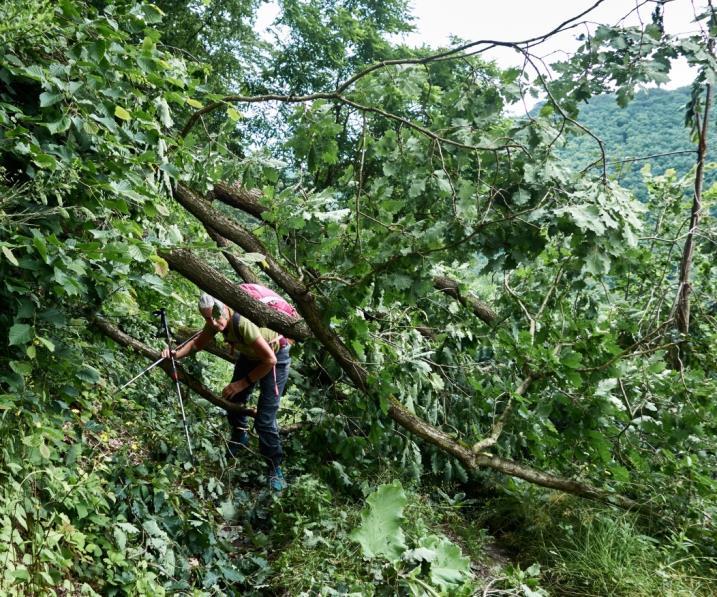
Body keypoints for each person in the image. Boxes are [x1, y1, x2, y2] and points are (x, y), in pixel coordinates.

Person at [162, 293, 291, 491]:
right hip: (251, 356)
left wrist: (242, 383)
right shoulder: (215, 320)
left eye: (215, 316)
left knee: (265, 419)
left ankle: (275, 467)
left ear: (225, 308)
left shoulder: (242, 323)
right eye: (207, 318)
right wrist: (176, 354)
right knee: (234, 400)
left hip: (275, 358)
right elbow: (198, 343)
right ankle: (240, 436)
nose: (213, 322)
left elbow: (270, 360)